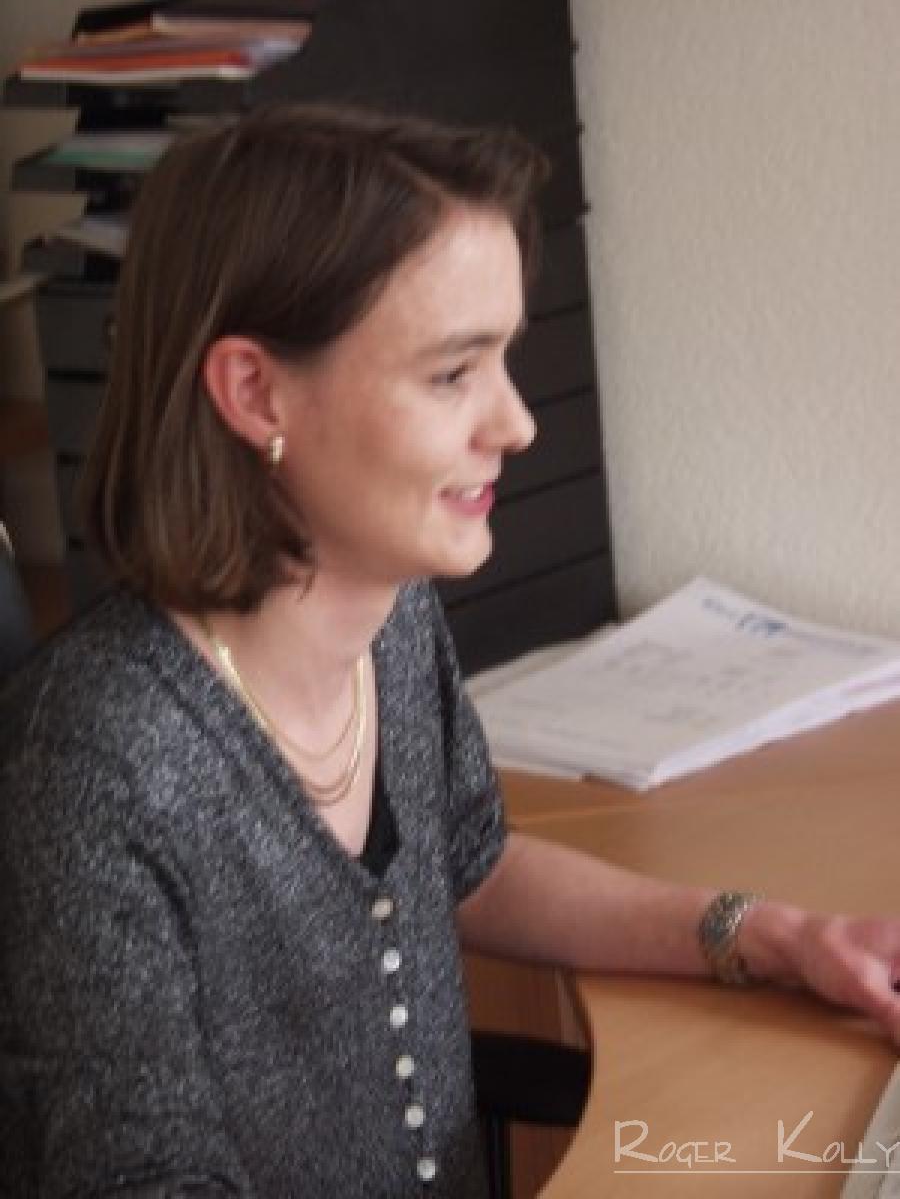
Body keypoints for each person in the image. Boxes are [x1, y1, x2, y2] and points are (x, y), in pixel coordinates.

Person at [1, 103, 899, 1198]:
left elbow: (474, 869)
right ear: (254, 392)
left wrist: (769, 936)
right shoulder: (90, 767)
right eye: (452, 374)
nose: (517, 424)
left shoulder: (391, 618)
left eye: (504, 360)